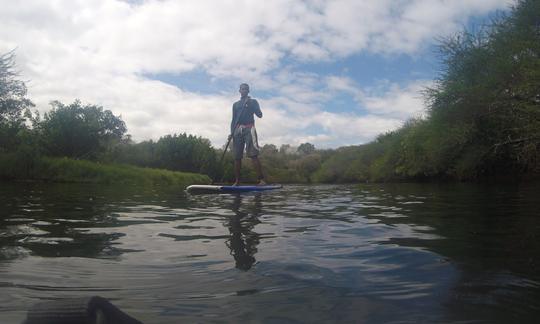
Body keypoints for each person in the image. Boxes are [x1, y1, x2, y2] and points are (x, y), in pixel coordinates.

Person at [229, 83, 266, 186]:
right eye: (242, 89)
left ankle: (261, 180)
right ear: (239, 91)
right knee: (237, 157)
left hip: (250, 129)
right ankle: (237, 181)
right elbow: (233, 120)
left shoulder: (253, 102)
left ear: (248, 91)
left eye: (246, 89)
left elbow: (260, 115)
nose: (244, 90)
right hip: (237, 130)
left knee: (253, 155)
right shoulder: (235, 104)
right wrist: (231, 132)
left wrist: (252, 106)